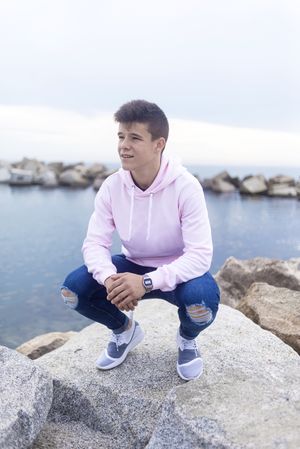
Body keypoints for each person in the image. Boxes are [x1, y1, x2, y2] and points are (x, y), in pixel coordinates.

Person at [61, 99, 220, 381]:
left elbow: (199, 255)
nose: (124, 145)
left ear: (159, 144)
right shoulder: (112, 186)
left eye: (135, 138)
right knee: (73, 291)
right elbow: (94, 244)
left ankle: (186, 339)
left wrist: (146, 283)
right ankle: (124, 331)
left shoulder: (186, 187)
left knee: (201, 305)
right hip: (132, 263)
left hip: (178, 271)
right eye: (121, 136)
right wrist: (110, 278)